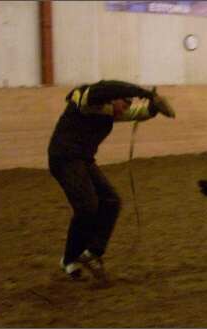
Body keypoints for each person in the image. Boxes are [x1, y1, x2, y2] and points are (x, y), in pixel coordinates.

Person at [48, 80, 175, 281]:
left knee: (111, 201)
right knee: (87, 206)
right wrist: (144, 92)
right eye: (124, 105)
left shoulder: (109, 111)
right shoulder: (88, 100)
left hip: (83, 160)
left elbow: (136, 113)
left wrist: (152, 107)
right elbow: (108, 86)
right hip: (64, 157)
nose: (124, 110)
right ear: (114, 99)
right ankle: (69, 260)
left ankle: (92, 254)